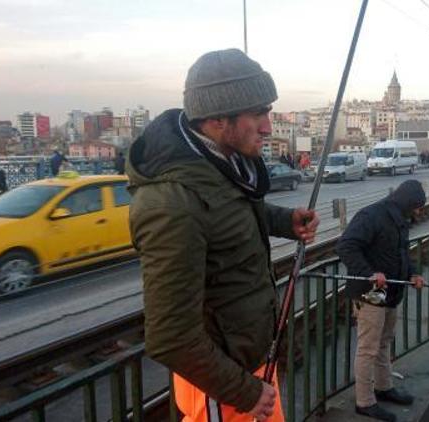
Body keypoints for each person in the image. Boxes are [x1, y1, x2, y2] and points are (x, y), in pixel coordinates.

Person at [127, 49, 320, 422]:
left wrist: (284, 221)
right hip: (221, 388)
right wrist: (243, 392)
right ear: (217, 119)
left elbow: (229, 212)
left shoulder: (218, 163)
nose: (268, 126)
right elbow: (171, 338)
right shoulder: (172, 203)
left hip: (250, 365)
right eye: (258, 113)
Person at [336, 180, 426, 422]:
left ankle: (384, 387)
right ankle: (364, 402)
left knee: (384, 342)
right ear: (408, 203)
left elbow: (402, 254)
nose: (419, 212)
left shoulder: (400, 220)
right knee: (368, 349)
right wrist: (369, 273)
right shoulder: (371, 215)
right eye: (417, 207)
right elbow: (345, 246)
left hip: (391, 294)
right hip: (369, 295)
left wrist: (414, 273)